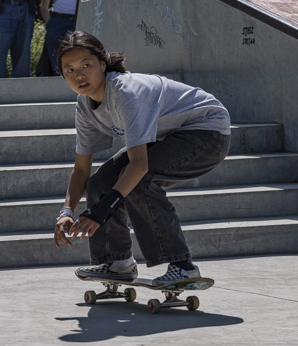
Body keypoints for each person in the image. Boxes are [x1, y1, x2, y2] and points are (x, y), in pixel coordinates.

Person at [52, 31, 232, 287]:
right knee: (100, 183)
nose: (79, 75)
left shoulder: (126, 92)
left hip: (207, 130)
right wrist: (66, 211)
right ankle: (117, 263)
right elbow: (81, 170)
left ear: (102, 64)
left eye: (86, 65)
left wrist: (101, 211)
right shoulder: (84, 106)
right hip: (165, 135)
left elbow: (139, 165)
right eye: (69, 70)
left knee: (140, 181)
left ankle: (183, 267)